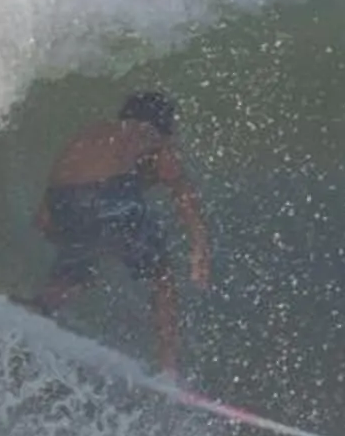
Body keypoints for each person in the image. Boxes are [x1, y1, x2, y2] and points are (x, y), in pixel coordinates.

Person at [27, 90, 213, 375]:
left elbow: (43, 219)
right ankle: (169, 371)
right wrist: (199, 244)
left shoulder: (90, 134)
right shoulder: (149, 134)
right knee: (162, 278)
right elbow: (180, 191)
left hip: (63, 202)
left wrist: (78, 242)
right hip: (111, 196)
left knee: (76, 276)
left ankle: (33, 312)